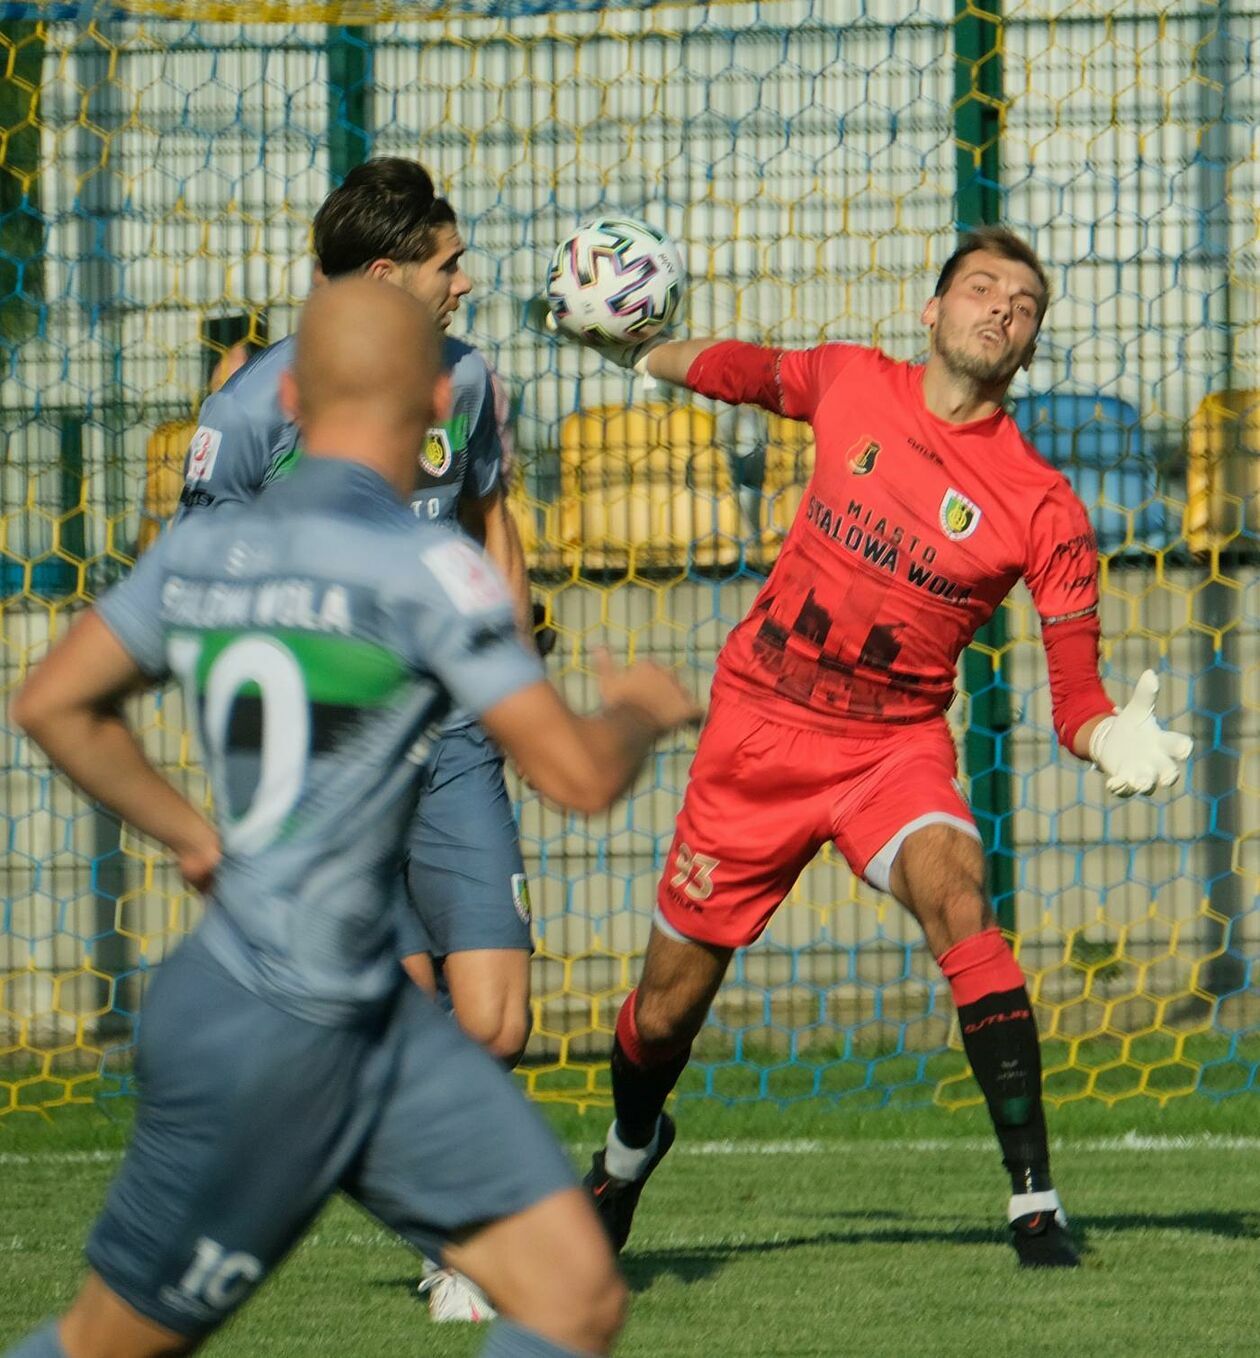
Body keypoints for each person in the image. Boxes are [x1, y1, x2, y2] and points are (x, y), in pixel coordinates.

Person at [5, 276, 700, 1358]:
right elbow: (574, 775)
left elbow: (51, 701)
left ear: (287, 399)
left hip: (336, 1010)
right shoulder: (427, 566)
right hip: (282, 1027)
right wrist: (639, 711)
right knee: (113, 1341)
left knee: (573, 1289)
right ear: (435, 400)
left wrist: (190, 832)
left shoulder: (202, 552)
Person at [557, 225, 1193, 1268]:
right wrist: (636, 354)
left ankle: (1034, 1199)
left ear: (1029, 347)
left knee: (960, 896)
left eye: (1023, 304)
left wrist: (1107, 729)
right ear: (931, 312)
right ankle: (627, 1155)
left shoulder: (1044, 505)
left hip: (889, 750)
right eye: (981, 288)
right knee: (666, 1010)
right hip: (757, 733)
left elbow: (1076, 690)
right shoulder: (851, 380)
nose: (1001, 308)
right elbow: (746, 373)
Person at [171, 159, 537, 1317]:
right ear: (387, 276)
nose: (467, 284)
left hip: (458, 732)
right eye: (449, 264)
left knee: (497, 1017)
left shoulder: (468, 380)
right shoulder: (247, 412)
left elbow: (488, 515)